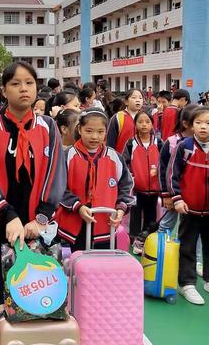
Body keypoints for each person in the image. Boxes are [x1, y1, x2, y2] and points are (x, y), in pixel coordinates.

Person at [0, 61, 66, 314]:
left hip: (39, 224)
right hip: (1, 222)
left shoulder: (48, 127)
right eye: (15, 83)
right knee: (4, 285)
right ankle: (4, 335)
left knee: (40, 286)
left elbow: (55, 172)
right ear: (3, 90)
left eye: (29, 83)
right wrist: (8, 214)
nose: (23, 89)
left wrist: (41, 218)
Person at [57, 108, 134, 251]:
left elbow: (126, 186)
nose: (94, 136)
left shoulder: (115, 157)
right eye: (89, 131)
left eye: (100, 132)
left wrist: (121, 209)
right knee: (79, 265)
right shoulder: (67, 155)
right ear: (79, 129)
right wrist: (78, 206)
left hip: (107, 224)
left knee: (104, 266)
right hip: (76, 224)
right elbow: (58, 187)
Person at [167, 106, 209, 305]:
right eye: (199, 123)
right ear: (191, 125)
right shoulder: (185, 146)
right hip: (189, 208)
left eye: (208, 124)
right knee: (188, 245)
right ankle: (187, 283)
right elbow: (171, 175)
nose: (203, 127)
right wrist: (177, 199)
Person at [122, 110, 163, 254]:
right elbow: (124, 163)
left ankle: (147, 241)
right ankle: (134, 241)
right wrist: (131, 176)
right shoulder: (131, 143)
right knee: (136, 216)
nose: (144, 125)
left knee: (152, 216)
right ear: (135, 124)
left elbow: (164, 163)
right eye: (140, 122)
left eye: (147, 122)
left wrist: (158, 172)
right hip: (137, 189)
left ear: (152, 124)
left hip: (154, 189)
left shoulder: (158, 142)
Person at [158, 104, 198, 235]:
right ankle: (160, 252)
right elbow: (163, 169)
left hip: (193, 195)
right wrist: (166, 194)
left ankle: (189, 255)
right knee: (167, 224)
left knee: (192, 230)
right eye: (198, 122)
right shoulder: (172, 142)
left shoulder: (202, 143)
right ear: (186, 124)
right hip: (175, 193)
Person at [106, 89, 143, 154]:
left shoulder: (145, 118)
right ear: (126, 101)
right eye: (134, 97)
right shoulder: (118, 117)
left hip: (140, 159)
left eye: (140, 98)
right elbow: (110, 142)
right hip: (121, 159)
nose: (138, 100)